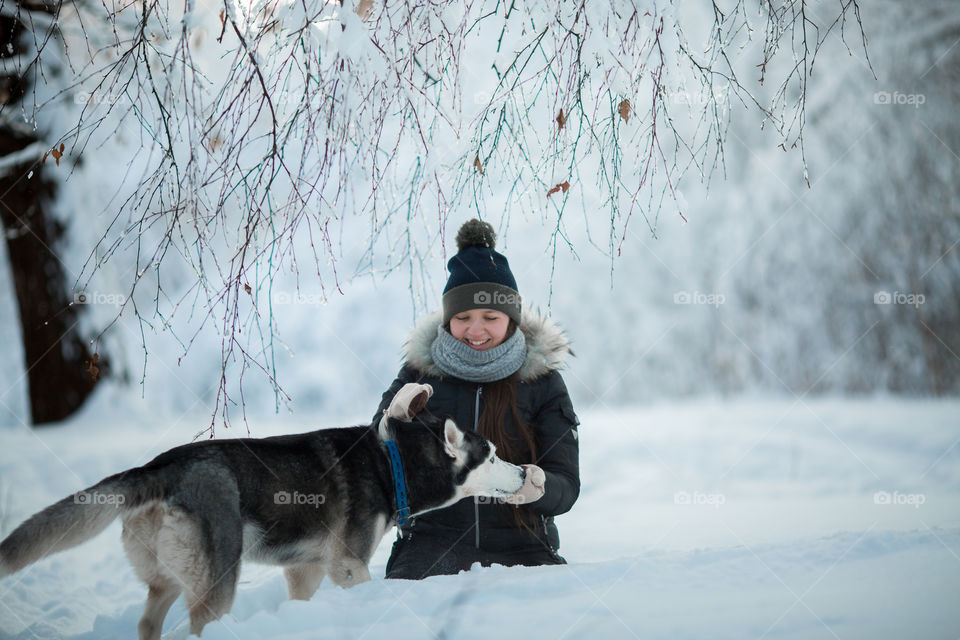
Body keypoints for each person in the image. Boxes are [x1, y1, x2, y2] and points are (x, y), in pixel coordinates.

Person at [374, 218, 580, 579]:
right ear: (448, 319)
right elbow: (372, 464)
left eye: (490, 316)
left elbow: (567, 485)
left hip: (525, 545)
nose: (475, 329)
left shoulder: (543, 383)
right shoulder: (418, 375)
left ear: (511, 319)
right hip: (430, 545)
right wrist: (392, 423)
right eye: (463, 316)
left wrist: (540, 487)